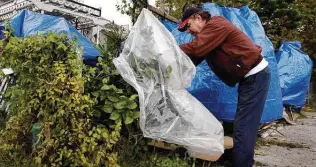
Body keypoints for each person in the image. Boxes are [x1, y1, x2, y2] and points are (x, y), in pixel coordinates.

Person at [177, 7, 271, 167]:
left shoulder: (216, 25)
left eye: (188, 25)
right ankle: (238, 160)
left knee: (244, 126)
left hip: (256, 76)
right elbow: (194, 57)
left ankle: (242, 164)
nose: (188, 31)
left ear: (198, 18)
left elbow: (196, 48)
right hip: (250, 78)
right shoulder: (209, 37)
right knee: (242, 125)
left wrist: (168, 50)